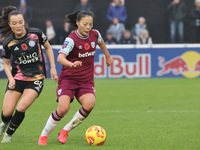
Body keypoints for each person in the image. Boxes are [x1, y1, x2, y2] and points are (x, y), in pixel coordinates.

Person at [38, 10, 113, 145]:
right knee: (63, 109)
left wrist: (107, 56)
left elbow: (101, 43)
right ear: (78, 23)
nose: (88, 27)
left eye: (90, 24)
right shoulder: (71, 39)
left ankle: (65, 130)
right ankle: (43, 135)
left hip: (86, 81)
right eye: (85, 24)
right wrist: (71, 64)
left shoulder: (95, 34)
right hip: (68, 80)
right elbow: (60, 58)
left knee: (89, 104)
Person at [0, 6, 58, 143]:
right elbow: (6, 64)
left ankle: (8, 135)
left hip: (36, 78)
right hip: (17, 78)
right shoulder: (8, 43)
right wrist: (10, 78)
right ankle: (4, 123)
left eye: (20, 22)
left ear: (24, 21)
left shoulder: (36, 33)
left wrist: (53, 68)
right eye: (14, 23)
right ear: (9, 25)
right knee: (6, 113)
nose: (18, 25)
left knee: (21, 107)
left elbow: (48, 48)